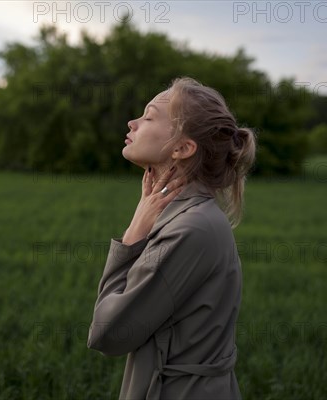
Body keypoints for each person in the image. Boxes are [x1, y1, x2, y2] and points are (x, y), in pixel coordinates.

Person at [87, 77, 256, 400]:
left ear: (182, 148)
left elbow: (107, 334)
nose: (132, 122)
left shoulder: (190, 228)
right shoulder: (187, 217)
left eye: (149, 116)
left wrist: (133, 234)